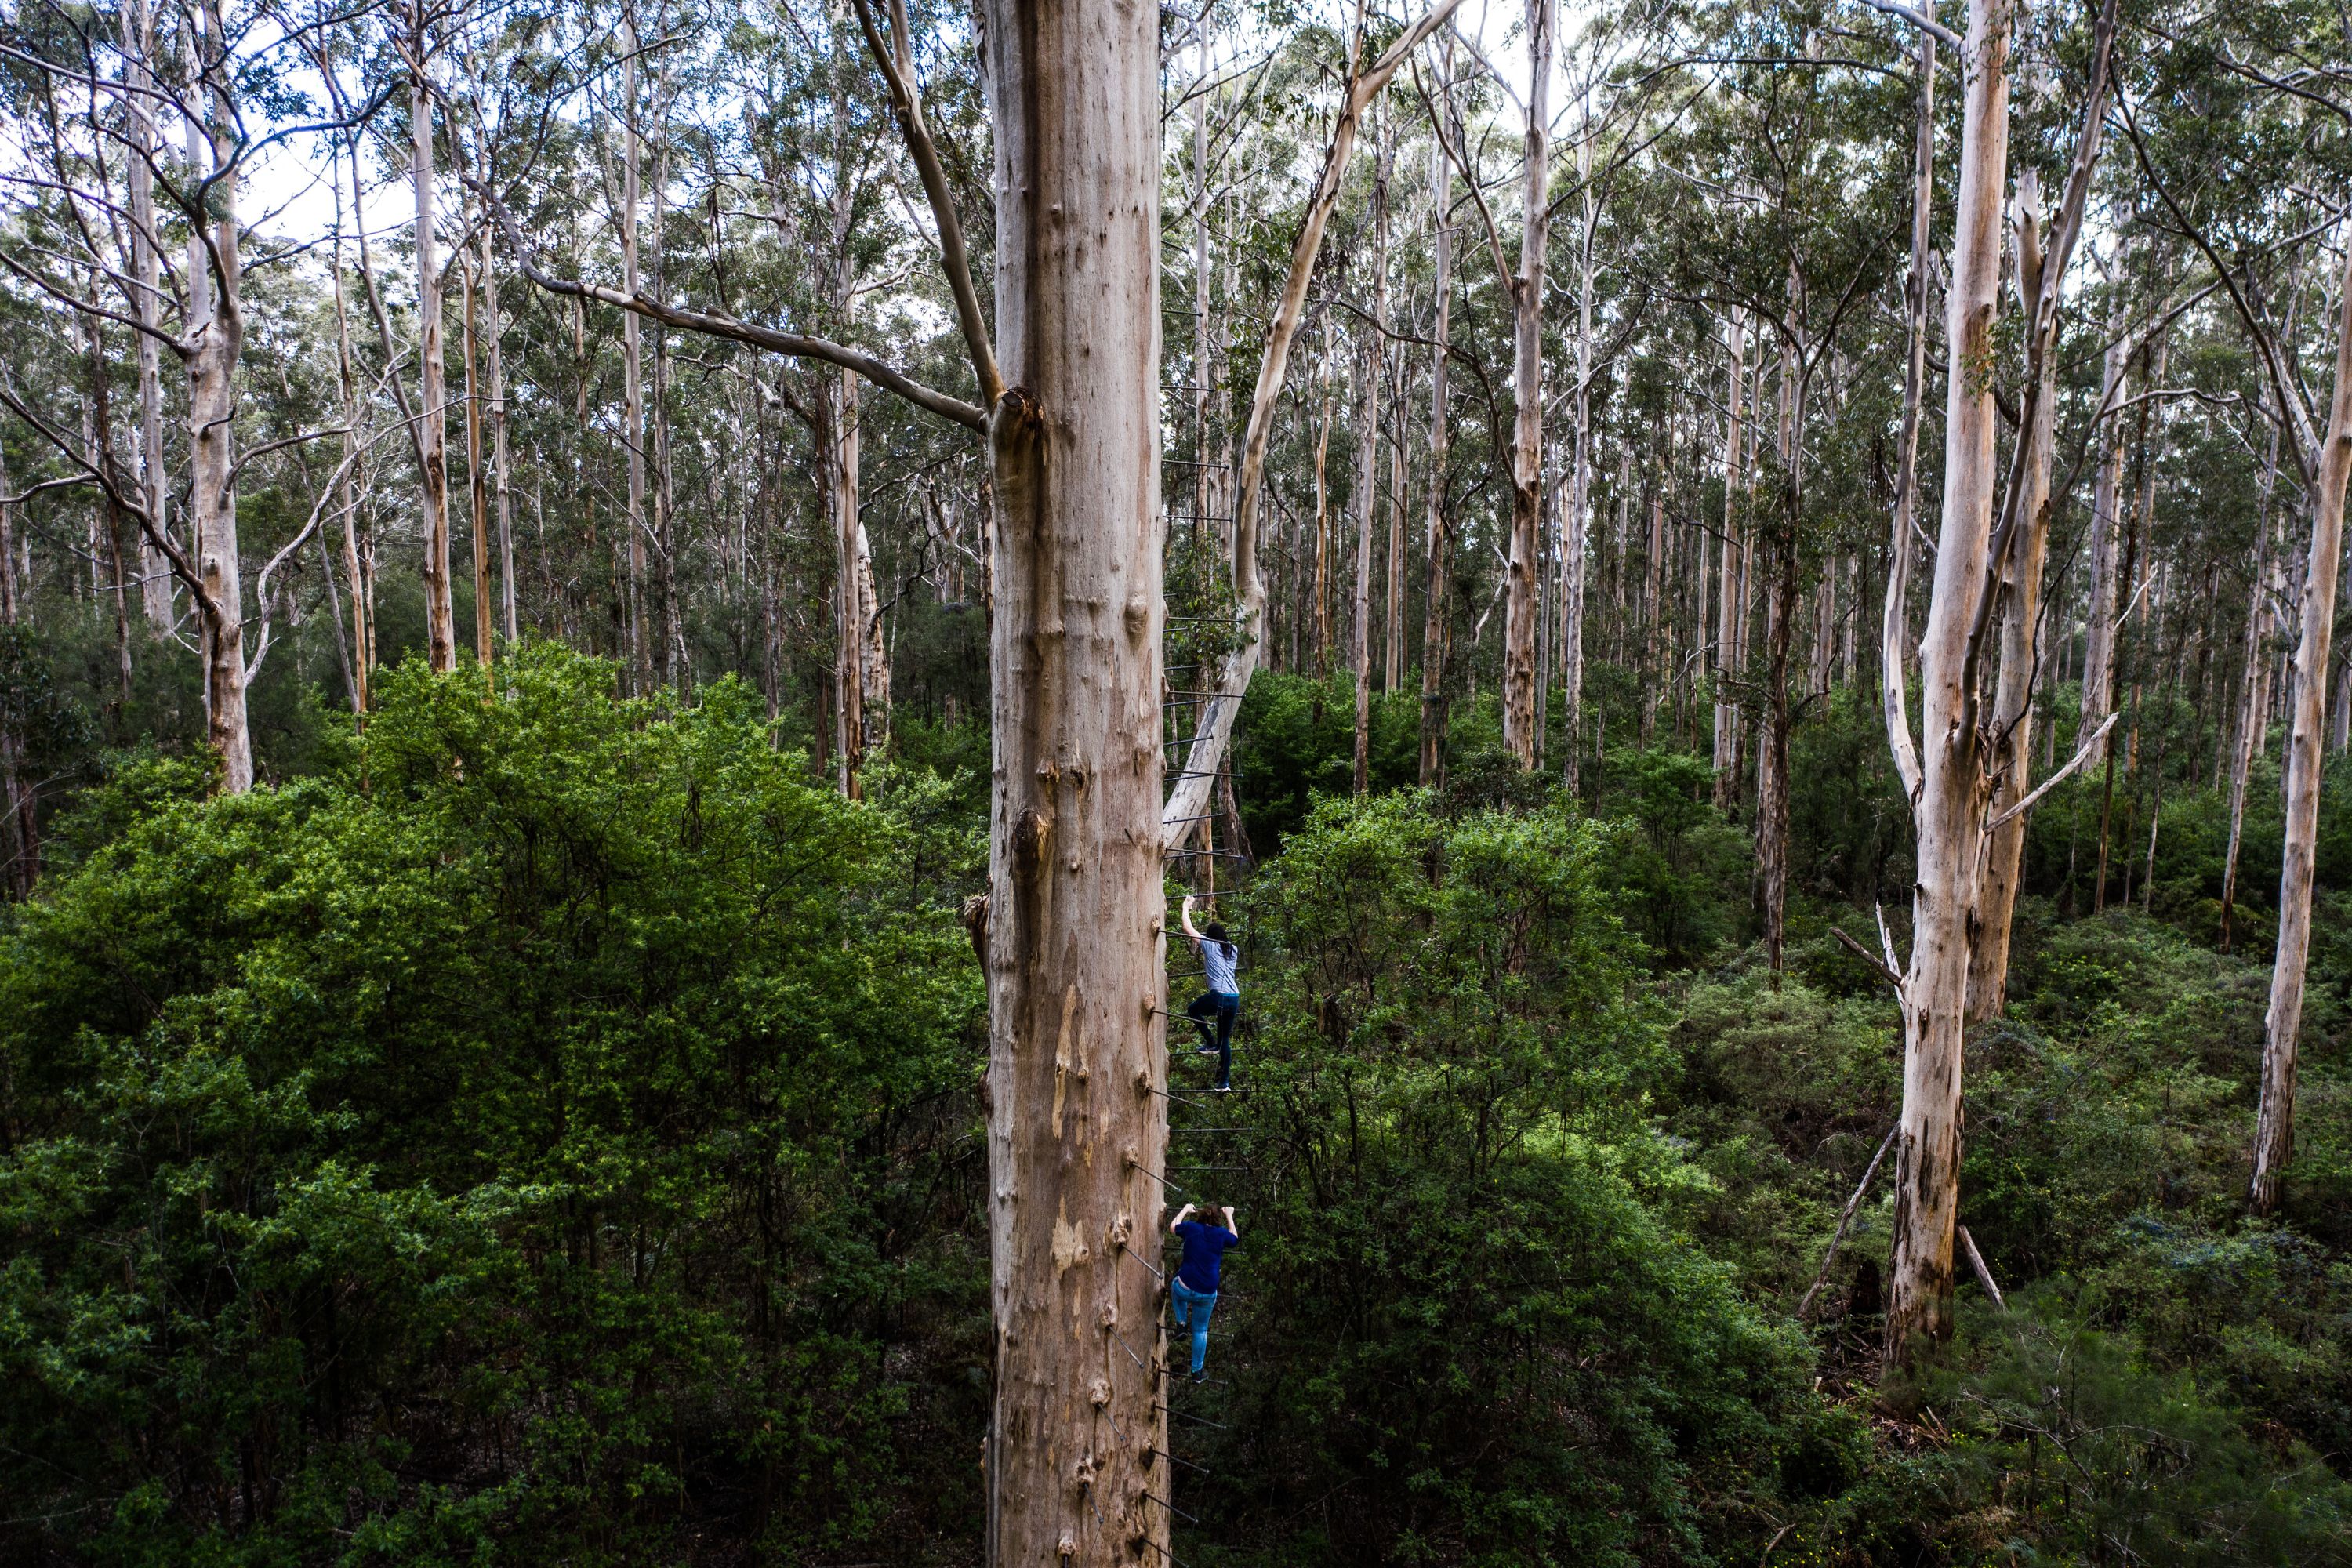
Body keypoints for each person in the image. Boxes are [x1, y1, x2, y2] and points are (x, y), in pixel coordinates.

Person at [1167, 1201, 1239, 1381]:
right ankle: (1197, 1372)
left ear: (1200, 1216)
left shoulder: (1191, 1228)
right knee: (1200, 1331)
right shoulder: (1221, 1234)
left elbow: (1173, 1227)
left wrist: (1185, 1209)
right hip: (1207, 1291)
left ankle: (1181, 1324)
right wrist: (1229, 1216)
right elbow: (1235, 1239)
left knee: (1175, 1287)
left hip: (1185, 1286)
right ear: (1217, 1220)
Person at [1179, 895, 1240, 1092]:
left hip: (1219, 996)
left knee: (1193, 1009)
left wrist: (1186, 906)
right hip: (1234, 998)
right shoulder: (1233, 949)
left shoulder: (1209, 944)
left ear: (1210, 935)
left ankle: (1211, 1042)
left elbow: (1188, 929)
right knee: (1226, 1039)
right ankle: (1224, 1083)